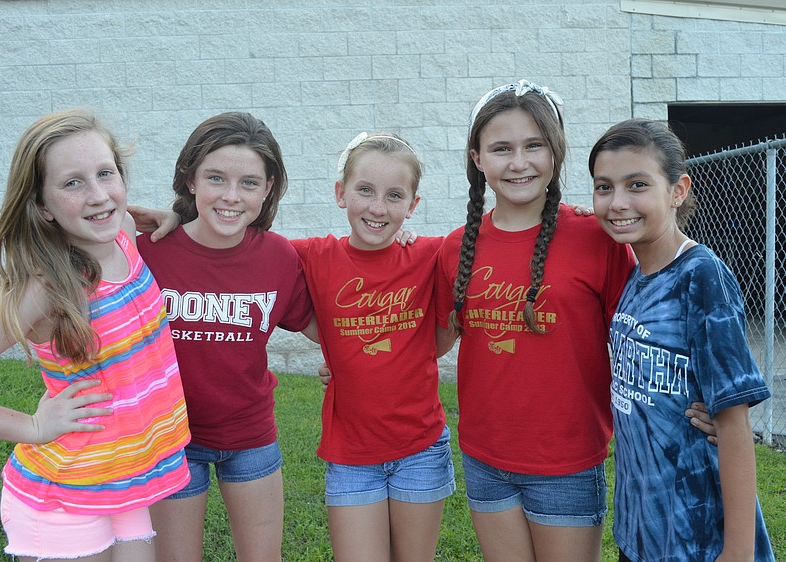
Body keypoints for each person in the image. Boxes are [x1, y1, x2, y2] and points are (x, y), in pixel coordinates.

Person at [0, 109, 191, 562]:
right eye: (72, 183)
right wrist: (31, 427)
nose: (98, 195)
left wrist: (165, 215)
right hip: (65, 496)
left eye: (106, 173)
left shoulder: (124, 234)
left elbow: (113, 211)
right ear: (42, 206)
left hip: (125, 482)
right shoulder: (42, 286)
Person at [433, 79, 635, 562]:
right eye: (501, 149)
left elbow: (639, 340)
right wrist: (351, 362)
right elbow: (432, 340)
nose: (518, 162)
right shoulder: (455, 247)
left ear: (556, 153)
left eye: (534, 146)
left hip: (567, 459)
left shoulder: (597, 238)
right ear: (478, 158)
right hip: (485, 456)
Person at [589, 118, 775, 561]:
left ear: (678, 190)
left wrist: (738, 552)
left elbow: (732, 424)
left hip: (697, 536)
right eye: (603, 187)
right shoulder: (635, 275)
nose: (618, 202)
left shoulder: (701, 276)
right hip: (641, 530)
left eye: (637, 185)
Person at [134, 112, 315, 562]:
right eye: (216, 178)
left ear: (268, 188)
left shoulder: (278, 256)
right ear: (190, 180)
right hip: (170, 439)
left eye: (248, 183)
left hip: (250, 435)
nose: (231, 196)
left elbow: (327, 329)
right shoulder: (148, 253)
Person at [288, 133, 455, 562]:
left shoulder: (430, 255)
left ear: (412, 205)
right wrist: (180, 216)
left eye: (394, 196)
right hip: (351, 455)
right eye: (365, 190)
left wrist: (573, 217)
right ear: (340, 193)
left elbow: (502, 239)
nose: (378, 208)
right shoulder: (315, 256)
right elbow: (244, 247)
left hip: (421, 449)